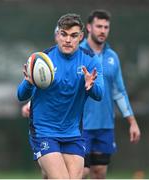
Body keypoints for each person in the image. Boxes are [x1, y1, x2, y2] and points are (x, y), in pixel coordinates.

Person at [17, 13, 104, 179]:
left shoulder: (91, 61)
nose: (68, 40)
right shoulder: (43, 60)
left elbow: (99, 95)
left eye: (73, 35)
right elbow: (21, 95)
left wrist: (90, 86)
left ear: (81, 36)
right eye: (63, 34)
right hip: (44, 131)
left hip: (72, 132)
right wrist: (28, 82)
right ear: (57, 35)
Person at [81, 9, 141, 179]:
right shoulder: (78, 53)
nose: (103, 30)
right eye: (99, 26)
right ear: (89, 27)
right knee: (81, 172)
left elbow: (119, 92)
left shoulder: (112, 56)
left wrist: (132, 121)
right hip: (80, 126)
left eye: (106, 27)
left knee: (99, 173)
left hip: (104, 125)